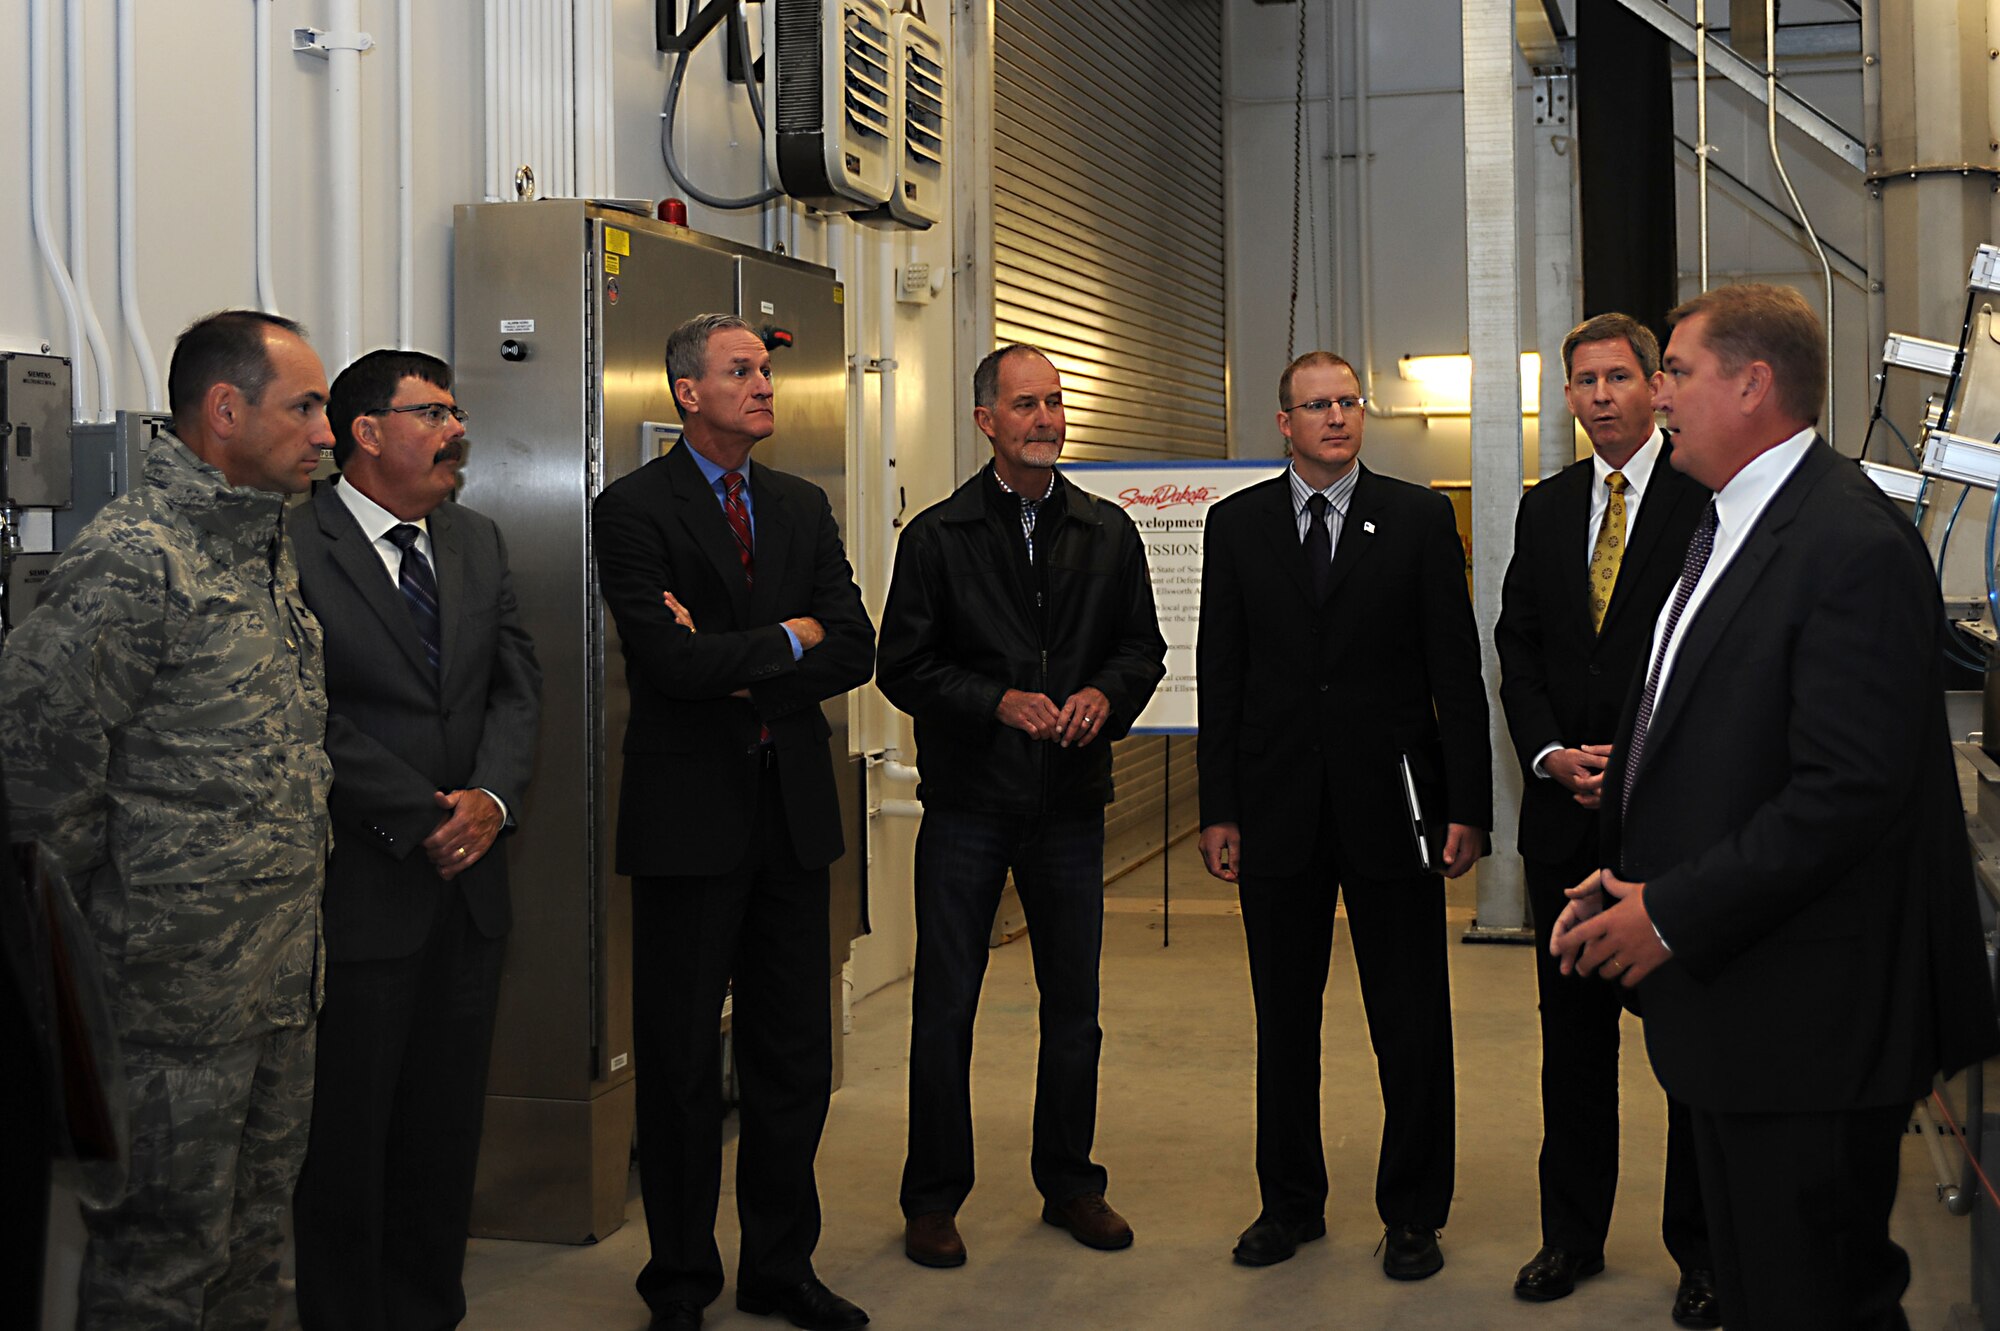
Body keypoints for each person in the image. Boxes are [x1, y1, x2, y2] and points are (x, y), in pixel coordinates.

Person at [1551, 283, 2000, 1327]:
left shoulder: (1842, 541)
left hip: (1811, 1020)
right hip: (1740, 1002)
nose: (1654, 392)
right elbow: (1707, 738)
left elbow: (1845, 789)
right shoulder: (1733, 523)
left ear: (1750, 385)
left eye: (1672, 369)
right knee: (1760, 1289)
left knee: (1815, 1296)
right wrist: (1636, 874)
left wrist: (1668, 911)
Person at [0, 309, 335, 1330]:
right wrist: (118, 943)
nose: (329, 430)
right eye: (307, 405)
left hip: (277, 986)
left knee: (254, 1246)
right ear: (225, 411)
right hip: (168, 1003)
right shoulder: (135, 559)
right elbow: (35, 781)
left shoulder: (265, 551)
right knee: (160, 1263)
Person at [593, 313, 876, 1331]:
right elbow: (664, 666)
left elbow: (855, 645)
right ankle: (678, 1278)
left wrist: (742, 646)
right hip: (685, 824)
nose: (763, 384)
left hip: (791, 820)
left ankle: (779, 1265)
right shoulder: (631, 509)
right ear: (686, 391)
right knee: (674, 1063)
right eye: (740, 370)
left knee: (792, 1057)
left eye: (765, 370)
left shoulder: (799, 505)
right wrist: (785, 640)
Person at [1196, 350, 1489, 1279]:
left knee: (1409, 1019)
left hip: (1392, 810)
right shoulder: (1235, 526)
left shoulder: (1414, 518)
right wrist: (1219, 807)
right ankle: (1289, 1204)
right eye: (1315, 405)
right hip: (1277, 805)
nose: (1335, 417)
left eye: (1347, 402)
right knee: (1285, 1020)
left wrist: (1467, 805)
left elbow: (1456, 674)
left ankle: (1413, 1213)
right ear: (1282, 423)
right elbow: (1221, 675)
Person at [877, 344, 1167, 1270]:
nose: (1046, 418)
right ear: (985, 421)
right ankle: (931, 1199)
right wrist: (996, 700)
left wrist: (1104, 698)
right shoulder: (937, 536)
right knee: (946, 1007)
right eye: (1026, 404)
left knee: (1074, 1008)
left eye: (1055, 402)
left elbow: (1142, 647)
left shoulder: (1106, 530)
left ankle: (1072, 1183)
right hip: (968, 805)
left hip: (1073, 807)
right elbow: (904, 666)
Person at [290, 349, 543, 1330]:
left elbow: (516, 682)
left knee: (443, 1134)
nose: (457, 431)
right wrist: (424, 812)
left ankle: (428, 1309)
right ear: (364, 431)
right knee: (347, 1141)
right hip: (362, 885)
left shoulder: (474, 539)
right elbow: (305, 707)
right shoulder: (294, 545)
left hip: (469, 889)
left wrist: (489, 797)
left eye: (457, 412)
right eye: (434, 412)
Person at [1493, 314, 1716, 1323]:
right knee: (1569, 1045)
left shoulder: (1704, 498)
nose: (1598, 396)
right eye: (1582, 380)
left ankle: (1700, 1254)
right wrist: (1546, 754)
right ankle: (1568, 1236)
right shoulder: (1542, 510)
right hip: (1560, 820)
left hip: (1667, 824)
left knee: (1683, 1048)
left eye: (1618, 376)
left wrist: (1626, 762)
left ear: (1654, 386)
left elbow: (1709, 657)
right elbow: (1521, 645)